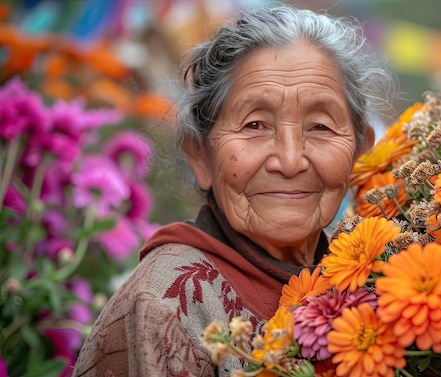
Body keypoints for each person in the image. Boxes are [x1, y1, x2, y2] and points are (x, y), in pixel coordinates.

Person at [71, 5, 393, 376]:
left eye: (320, 126)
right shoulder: (167, 304)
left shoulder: (376, 283)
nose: (290, 161)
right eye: (255, 124)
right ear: (200, 155)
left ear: (360, 150)